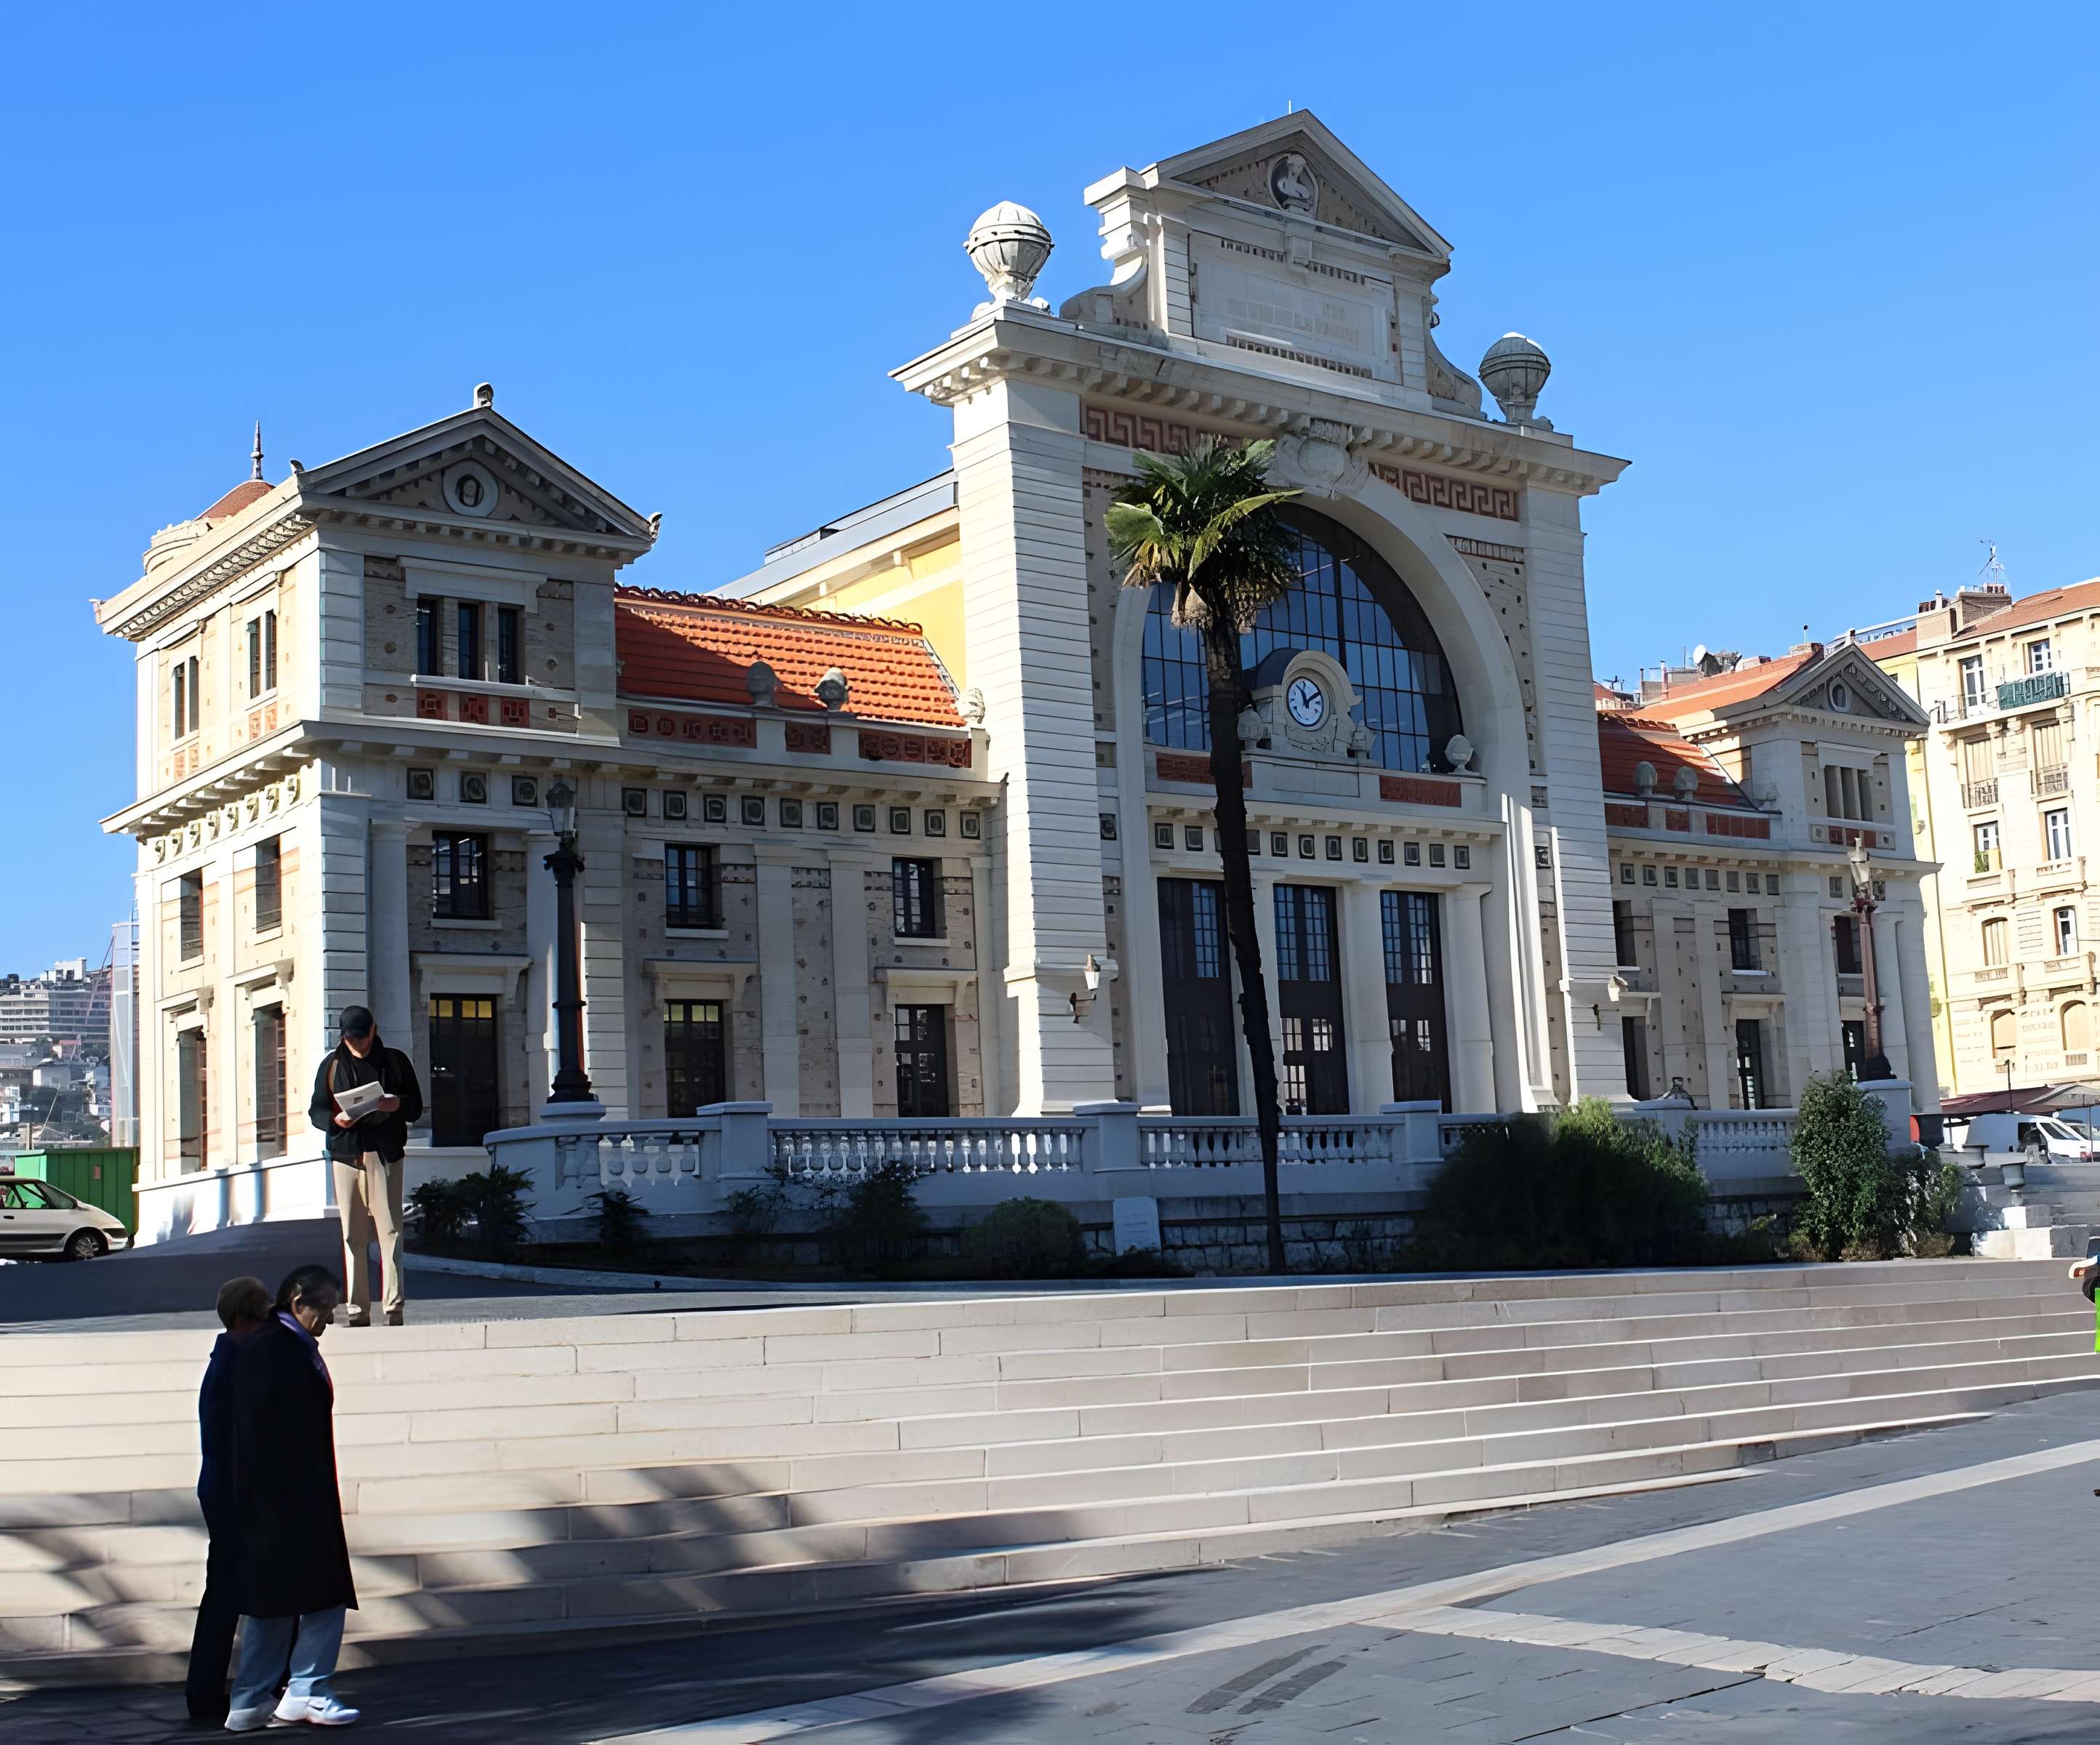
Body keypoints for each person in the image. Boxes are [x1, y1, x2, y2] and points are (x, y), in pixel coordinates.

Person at [224, 1264, 360, 1732]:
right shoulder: (278, 1349)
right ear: (298, 1299)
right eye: (325, 1307)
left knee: (277, 1602)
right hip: (290, 1498)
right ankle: (306, 1689)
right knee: (319, 1596)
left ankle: (253, 1699)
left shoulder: (277, 1345)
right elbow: (263, 1432)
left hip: (283, 1498)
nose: (329, 1318)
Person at [185, 1276, 271, 1724]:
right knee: (227, 1595)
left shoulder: (227, 1360)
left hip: (222, 1490)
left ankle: (206, 1692)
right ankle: (208, 1693)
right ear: (244, 1319)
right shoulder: (236, 1365)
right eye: (261, 1318)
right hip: (232, 1495)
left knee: (224, 1593)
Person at [308, 1006, 423, 1328]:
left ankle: (393, 1307)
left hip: (385, 1154)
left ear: (374, 1030)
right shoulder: (331, 1065)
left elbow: (415, 1106)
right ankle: (358, 1311)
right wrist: (335, 1119)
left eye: (362, 1037)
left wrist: (396, 1103)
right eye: (351, 1039)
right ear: (343, 1036)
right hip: (346, 1157)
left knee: (391, 1232)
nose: (357, 1045)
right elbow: (316, 1110)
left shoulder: (395, 1061)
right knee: (353, 1236)